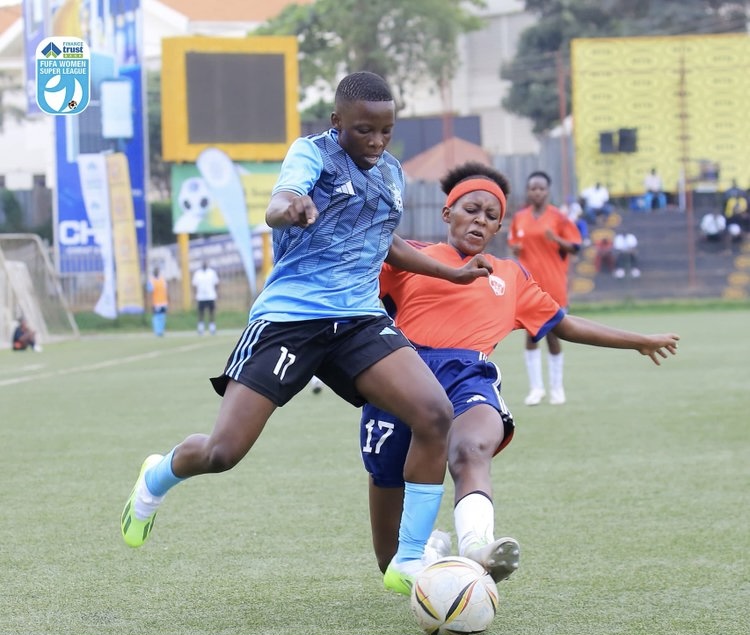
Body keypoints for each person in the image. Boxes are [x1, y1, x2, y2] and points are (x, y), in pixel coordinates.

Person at [119, 72, 494, 598]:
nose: (377, 142)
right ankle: (157, 476)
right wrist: (289, 209)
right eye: (364, 130)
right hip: (290, 320)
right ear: (337, 123)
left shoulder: (390, 173)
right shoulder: (311, 153)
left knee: (434, 414)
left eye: (386, 131)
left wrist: (450, 272)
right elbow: (281, 200)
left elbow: (386, 242)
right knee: (223, 452)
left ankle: (407, 560)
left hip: (359, 320)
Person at [359, 161, 680, 596]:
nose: (480, 220)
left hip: (467, 376)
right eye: (472, 209)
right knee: (390, 563)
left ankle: (477, 546)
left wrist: (637, 340)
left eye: (491, 217)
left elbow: (563, 324)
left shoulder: (509, 276)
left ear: (498, 229)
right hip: (402, 376)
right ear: (447, 213)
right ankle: (431, 552)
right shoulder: (409, 259)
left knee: (472, 447)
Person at [507, 171, 582, 406]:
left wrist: (556, 239)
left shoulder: (559, 218)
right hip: (529, 288)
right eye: (532, 188)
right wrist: (516, 251)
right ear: (528, 192)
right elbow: (514, 245)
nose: (536, 192)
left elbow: (576, 247)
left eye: (540, 188)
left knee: (554, 335)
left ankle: (557, 388)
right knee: (532, 335)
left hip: (554, 286)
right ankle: (536, 388)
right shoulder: (520, 218)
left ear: (548, 191)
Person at [191, 260, 220, 335]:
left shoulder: (212, 273)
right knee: (201, 313)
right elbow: (194, 285)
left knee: (211, 313)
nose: (204, 264)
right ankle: (201, 328)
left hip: (210, 295)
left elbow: (216, 283)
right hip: (201, 296)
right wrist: (195, 294)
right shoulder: (198, 273)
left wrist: (217, 293)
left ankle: (212, 328)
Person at [147, 266, 169, 337]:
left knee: (162, 317)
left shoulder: (162, 280)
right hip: (156, 302)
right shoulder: (151, 281)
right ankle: (157, 331)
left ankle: (161, 331)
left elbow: (166, 290)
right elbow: (149, 290)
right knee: (156, 317)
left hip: (163, 301)